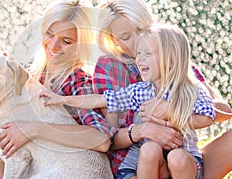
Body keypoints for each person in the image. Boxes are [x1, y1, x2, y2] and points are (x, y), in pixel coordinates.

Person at [0, 0, 116, 179]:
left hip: (49, 171)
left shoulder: (78, 83)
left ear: (80, 45)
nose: (53, 45)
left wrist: (33, 128)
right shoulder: (30, 70)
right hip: (25, 166)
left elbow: (101, 139)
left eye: (66, 41)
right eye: (50, 34)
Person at [40, 23, 216, 179]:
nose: (139, 59)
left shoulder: (191, 89)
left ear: (171, 60)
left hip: (184, 163)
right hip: (149, 163)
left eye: (147, 54)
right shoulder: (141, 91)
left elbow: (208, 116)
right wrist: (63, 99)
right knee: (149, 148)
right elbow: (101, 100)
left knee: (176, 157)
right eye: (139, 53)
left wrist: (172, 111)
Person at [92, 0, 232, 178]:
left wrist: (174, 108)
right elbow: (109, 139)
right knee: (150, 152)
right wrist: (144, 130)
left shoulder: (174, 61)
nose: (137, 43)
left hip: (182, 162)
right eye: (126, 37)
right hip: (139, 165)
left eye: (142, 31)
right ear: (112, 39)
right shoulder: (109, 68)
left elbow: (225, 111)